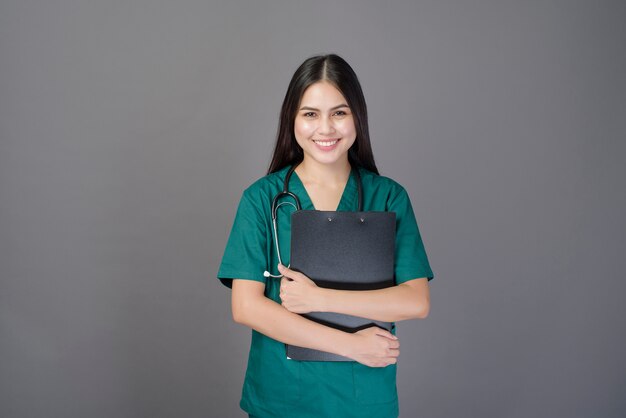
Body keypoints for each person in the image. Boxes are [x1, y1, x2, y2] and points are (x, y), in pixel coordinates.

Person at [217, 54, 434, 418]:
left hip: (362, 398)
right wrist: (351, 345)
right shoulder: (261, 199)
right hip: (282, 395)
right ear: (293, 120)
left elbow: (415, 301)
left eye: (339, 112)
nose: (326, 129)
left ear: (357, 118)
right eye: (310, 114)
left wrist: (319, 298)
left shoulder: (389, 197)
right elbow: (246, 307)